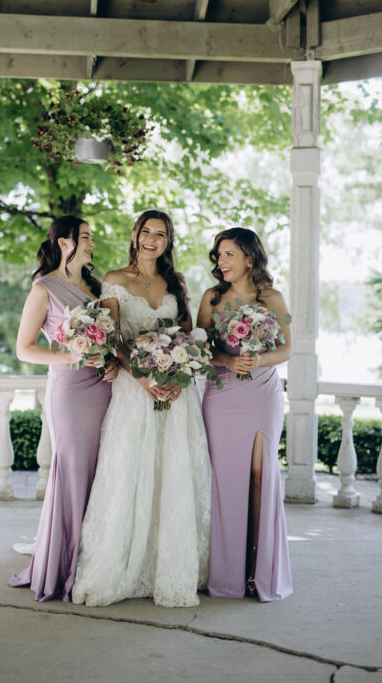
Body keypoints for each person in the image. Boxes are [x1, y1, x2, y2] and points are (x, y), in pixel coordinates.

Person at [71, 210, 211, 608]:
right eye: (146, 231)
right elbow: (113, 339)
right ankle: (123, 564)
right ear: (134, 234)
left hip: (176, 391)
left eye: (160, 234)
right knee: (132, 470)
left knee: (172, 470)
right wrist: (144, 378)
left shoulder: (176, 282)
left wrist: (179, 374)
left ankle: (170, 565)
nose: (152, 239)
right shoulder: (114, 280)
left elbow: (188, 336)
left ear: (168, 241)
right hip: (135, 390)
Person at [9, 215, 117, 602]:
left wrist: (111, 362)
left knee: (102, 472)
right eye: (85, 237)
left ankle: (95, 561)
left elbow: (111, 337)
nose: (91, 243)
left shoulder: (96, 286)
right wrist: (70, 355)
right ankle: (62, 563)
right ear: (65, 243)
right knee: (72, 472)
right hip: (70, 391)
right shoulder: (44, 288)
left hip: (103, 387)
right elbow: (24, 349)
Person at [197, 227, 293, 602]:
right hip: (222, 394)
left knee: (259, 475)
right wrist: (228, 360)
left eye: (229, 255)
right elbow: (200, 347)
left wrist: (258, 360)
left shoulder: (273, 298)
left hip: (262, 392)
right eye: (219, 255)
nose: (221, 262)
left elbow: (287, 348)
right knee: (225, 481)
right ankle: (228, 574)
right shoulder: (212, 298)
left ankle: (258, 570)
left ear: (249, 258)